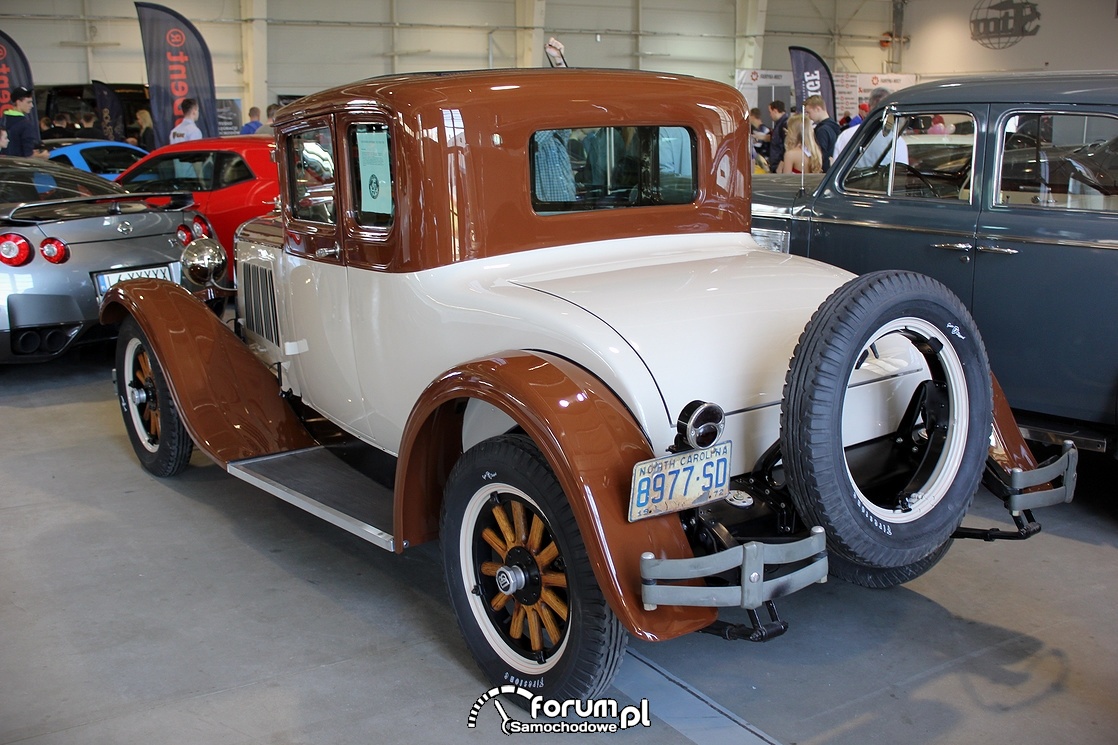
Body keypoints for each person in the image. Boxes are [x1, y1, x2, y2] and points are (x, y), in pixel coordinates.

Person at [532, 128, 576, 202]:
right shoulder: (537, 140)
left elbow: (566, 131)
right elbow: (534, 142)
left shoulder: (557, 139)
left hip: (568, 202)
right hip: (547, 206)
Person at [2, 87, 47, 157]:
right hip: (18, 166)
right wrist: (43, 155)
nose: (31, 105)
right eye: (28, 102)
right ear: (18, 102)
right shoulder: (26, 125)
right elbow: (28, 155)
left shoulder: (3, 120)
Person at [804, 94, 841, 172]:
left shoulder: (822, 130)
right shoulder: (834, 126)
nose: (808, 116)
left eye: (808, 112)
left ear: (817, 109)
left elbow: (820, 155)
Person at [767, 100, 789, 173]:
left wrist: (781, 164)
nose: (770, 115)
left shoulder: (784, 125)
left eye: (770, 112)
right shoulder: (779, 124)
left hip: (779, 165)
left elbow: (787, 145)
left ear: (775, 111)